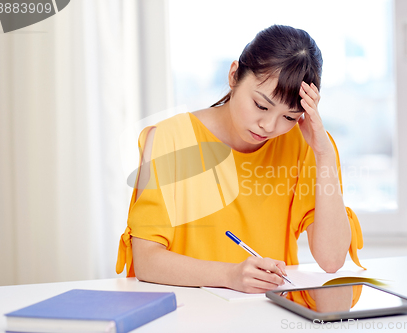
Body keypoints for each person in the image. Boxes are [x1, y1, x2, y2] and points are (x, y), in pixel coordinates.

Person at [116, 24, 364, 294]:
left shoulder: (305, 146)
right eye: (261, 105)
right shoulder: (172, 139)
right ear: (234, 75)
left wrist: (324, 155)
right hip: (187, 312)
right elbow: (146, 260)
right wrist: (230, 275)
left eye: (289, 117)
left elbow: (331, 260)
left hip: (268, 314)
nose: (269, 126)